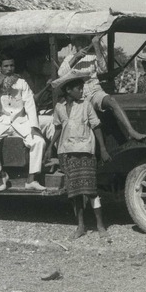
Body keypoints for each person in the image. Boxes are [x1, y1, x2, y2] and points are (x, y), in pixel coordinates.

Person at [45, 72, 111, 240]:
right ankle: (80, 226)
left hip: (85, 150)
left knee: (91, 190)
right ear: (68, 90)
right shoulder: (59, 107)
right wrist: (50, 147)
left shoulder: (86, 105)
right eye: (78, 88)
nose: (81, 91)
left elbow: (96, 126)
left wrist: (102, 149)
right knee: (75, 192)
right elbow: (58, 128)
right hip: (66, 152)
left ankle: (100, 226)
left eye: (82, 88)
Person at [58, 35, 146, 141]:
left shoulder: (94, 56)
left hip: (95, 91)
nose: (81, 42)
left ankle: (130, 131)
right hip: (79, 95)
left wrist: (96, 46)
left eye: (84, 39)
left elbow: (103, 69)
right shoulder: (69, 58)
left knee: (111, 101)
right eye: (78, 40)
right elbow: (61, 73)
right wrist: (76, 57)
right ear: (74, 43)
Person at [0, 53, 46, 191]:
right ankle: (0, 175)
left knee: (39, 142)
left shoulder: (21, 83)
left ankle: (31, 180)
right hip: (0, 122)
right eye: (6, 66)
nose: (9, 69)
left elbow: (30, 105)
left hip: (20, 122)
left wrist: (34, 126)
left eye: (12, 65)